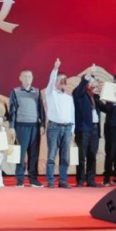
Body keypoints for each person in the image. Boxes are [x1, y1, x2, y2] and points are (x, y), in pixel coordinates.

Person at [9, 70, 45, 187]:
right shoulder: (15, 91)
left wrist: (43, 125)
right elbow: (12, 110)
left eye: (29, 76)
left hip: (35, 126)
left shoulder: (37, 92)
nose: (27, 78)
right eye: (24, 76)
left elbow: (41, 109)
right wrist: (11, 126)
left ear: (32, 78)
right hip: (21, 126)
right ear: (20, 78)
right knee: (20, 154)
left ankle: (33, 179)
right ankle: (20, 180)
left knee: (34, 154)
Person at [45, 59, 74, 189]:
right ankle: (51, 181)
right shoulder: (51, 94)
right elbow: (51, 82)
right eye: (60, 80)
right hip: (54, 127)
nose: (63, 82)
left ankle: (63, 180)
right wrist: (55, 69)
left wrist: (72, 130)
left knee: (65, 157)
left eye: (64, 80)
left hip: (67, 128)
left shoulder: (69, 98)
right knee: (51, 156)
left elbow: (72, 115)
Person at [72, 66, 101, 188]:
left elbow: (106, 108)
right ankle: (80, 180)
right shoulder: (79, 93)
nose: (92, 83)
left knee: (92, 155)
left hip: (95, 129)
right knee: (81, 156)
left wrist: (112, 99)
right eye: (90, 81)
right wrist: (88, 73)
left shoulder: (94, 96)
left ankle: (91, 180)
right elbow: (81, 87)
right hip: (83, 129)